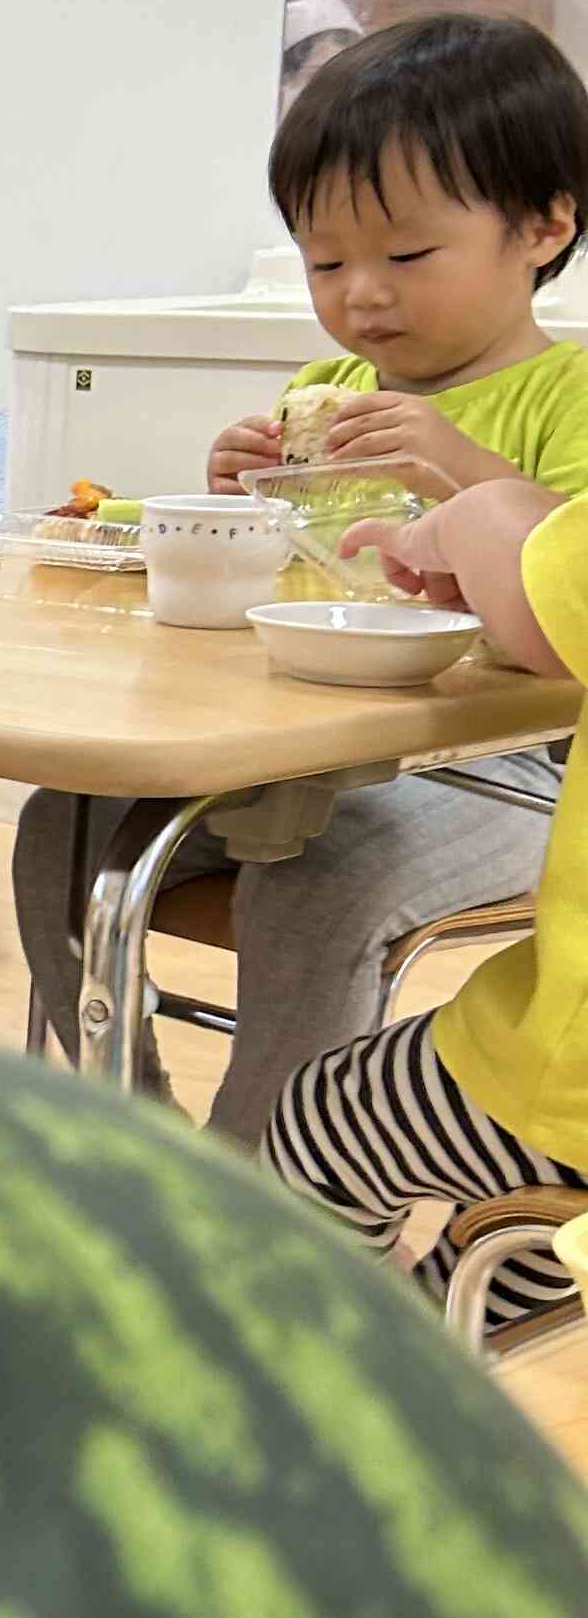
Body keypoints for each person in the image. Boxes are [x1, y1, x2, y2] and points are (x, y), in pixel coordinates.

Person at [16, 17, 588, 1139]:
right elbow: (288, 563)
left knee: (326, 883)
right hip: (298, 745)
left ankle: (259, 1183)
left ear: (544, 225)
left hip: (509, 775)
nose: (362, 296)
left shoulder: (565, 396)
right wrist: (217, 503)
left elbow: (566, 582)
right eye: (327, 263)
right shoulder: (326, 385)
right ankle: (128, 1130)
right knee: (62, 825)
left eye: (408, 257)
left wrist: (467, 474)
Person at [265, 472, 588, 1331]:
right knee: (525, 1216)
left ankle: (334, 1378)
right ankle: (444, 1345)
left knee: (326, 1120)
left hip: (577, 1084)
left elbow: (537, 573)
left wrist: (447, 527)